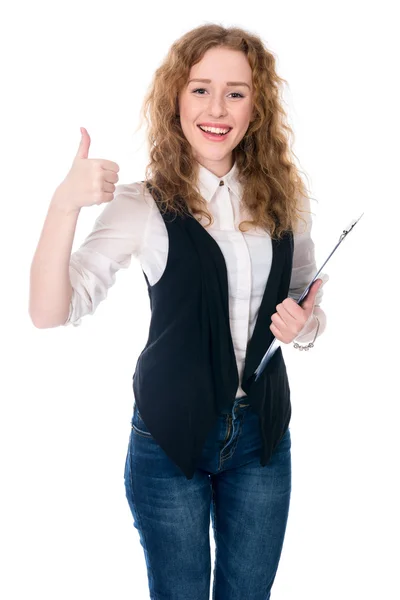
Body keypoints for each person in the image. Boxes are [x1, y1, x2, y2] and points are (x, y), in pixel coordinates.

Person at [29, 23, 329, 600]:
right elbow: (49, 311)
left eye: (236, 92)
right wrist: (63, 203)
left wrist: (306, 325)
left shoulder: (286, 198)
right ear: (176, 98)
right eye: (200, 89)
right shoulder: (142, 205)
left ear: (256, 107)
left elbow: (305, 304)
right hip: (168, 438)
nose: (217, 108)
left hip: (262, 440)